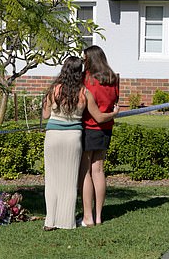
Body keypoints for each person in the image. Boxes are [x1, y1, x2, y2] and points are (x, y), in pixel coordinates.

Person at [42, 56, 118, 231]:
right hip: (73, 138)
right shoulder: (84, 93)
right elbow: (99, 117)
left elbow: (46, 115)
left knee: (52, 179)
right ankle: (66, 221)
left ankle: (50, 221)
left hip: (52, 136)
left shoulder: (53, 90)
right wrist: (114, 114)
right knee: (70, 181)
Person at [79, 45, 119, 226]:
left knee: (86, 171)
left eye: (84, 58)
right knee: (99, 171)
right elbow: (115, 101)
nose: (83, 61)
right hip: (106, 128)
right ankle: (99, 216)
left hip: (89, 127)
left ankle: (88, 216)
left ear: (90, 59)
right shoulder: (112, 78)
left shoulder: (87, 79)